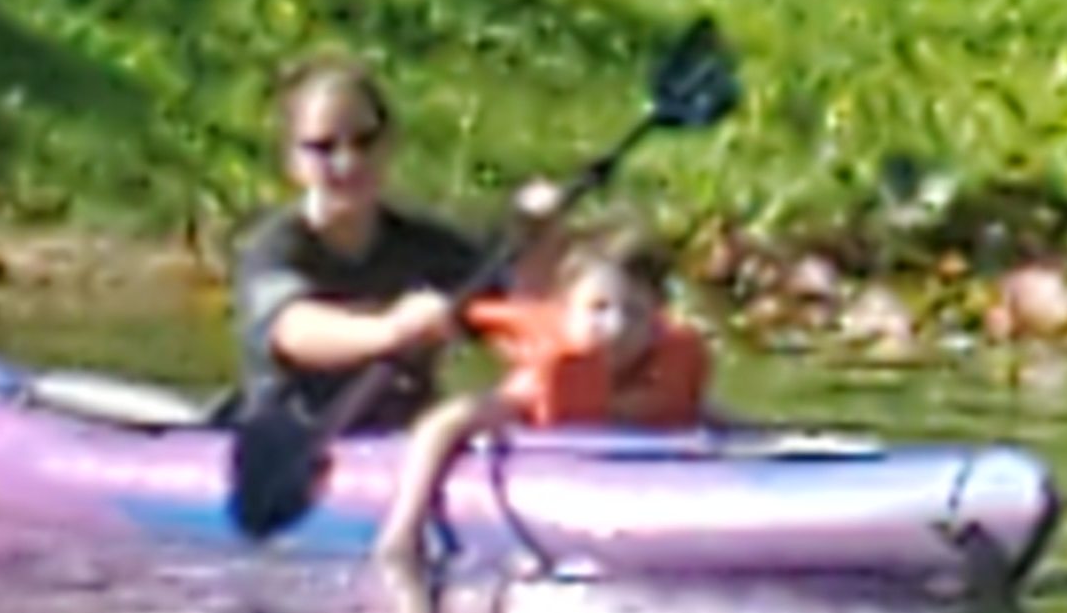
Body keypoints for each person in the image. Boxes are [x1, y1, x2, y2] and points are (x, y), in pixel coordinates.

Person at [375, 224, 709, 570]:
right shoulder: (537, 386)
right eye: (599, 309)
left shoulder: (662, 377)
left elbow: (710, 417)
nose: (616, 328)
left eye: (634, 313)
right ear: (565, 312)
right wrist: (405, 525)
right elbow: (441, 425)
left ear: (657, 321)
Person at [232, 54, 494, 437]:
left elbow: (510, 301)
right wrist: (392, 331)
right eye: (323, 148)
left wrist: (541, 237)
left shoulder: (427, 246)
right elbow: (294, 331)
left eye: (364, 141)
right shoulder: (275, 249)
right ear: (292, 161)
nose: (348, 161)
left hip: (399, 440)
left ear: (388, 143)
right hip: (293, 444)